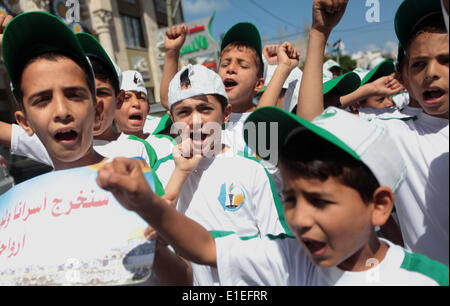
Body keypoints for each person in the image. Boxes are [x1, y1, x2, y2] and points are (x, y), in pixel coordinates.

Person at [96, 105, 449, 286]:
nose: (300, 219)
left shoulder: (425, 280)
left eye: (321, 201)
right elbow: (205, 247)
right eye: (291, 199)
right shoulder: (290, 258)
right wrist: (145, 202)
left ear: (379, 206)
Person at [298, 0, 449, 266]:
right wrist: (320, 33)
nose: (431, 73)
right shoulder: (397, 134)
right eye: (418, 64)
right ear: (403, 76)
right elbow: (312, 128)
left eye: (446, 60)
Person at [155, 64, 289, 285]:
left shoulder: (252, 170)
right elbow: (155, 237)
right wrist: (180, 173)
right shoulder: (162, 172)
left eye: (205, 109)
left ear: (226, 113)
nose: (195, 121)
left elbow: (278, 248)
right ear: (172, 119)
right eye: (184, 112)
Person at [0, 29, 159, 178]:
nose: (62, 111)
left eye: (75, 95)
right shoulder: (51, 142)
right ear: (26, 122)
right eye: (43, 99)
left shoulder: (139, 150)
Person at [114, 70, 176, 188]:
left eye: (141, 98)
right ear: (112, 107)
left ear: (148, 109)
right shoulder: (105, 150)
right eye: (126, 98)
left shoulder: (166, 143)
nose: (136, 103)